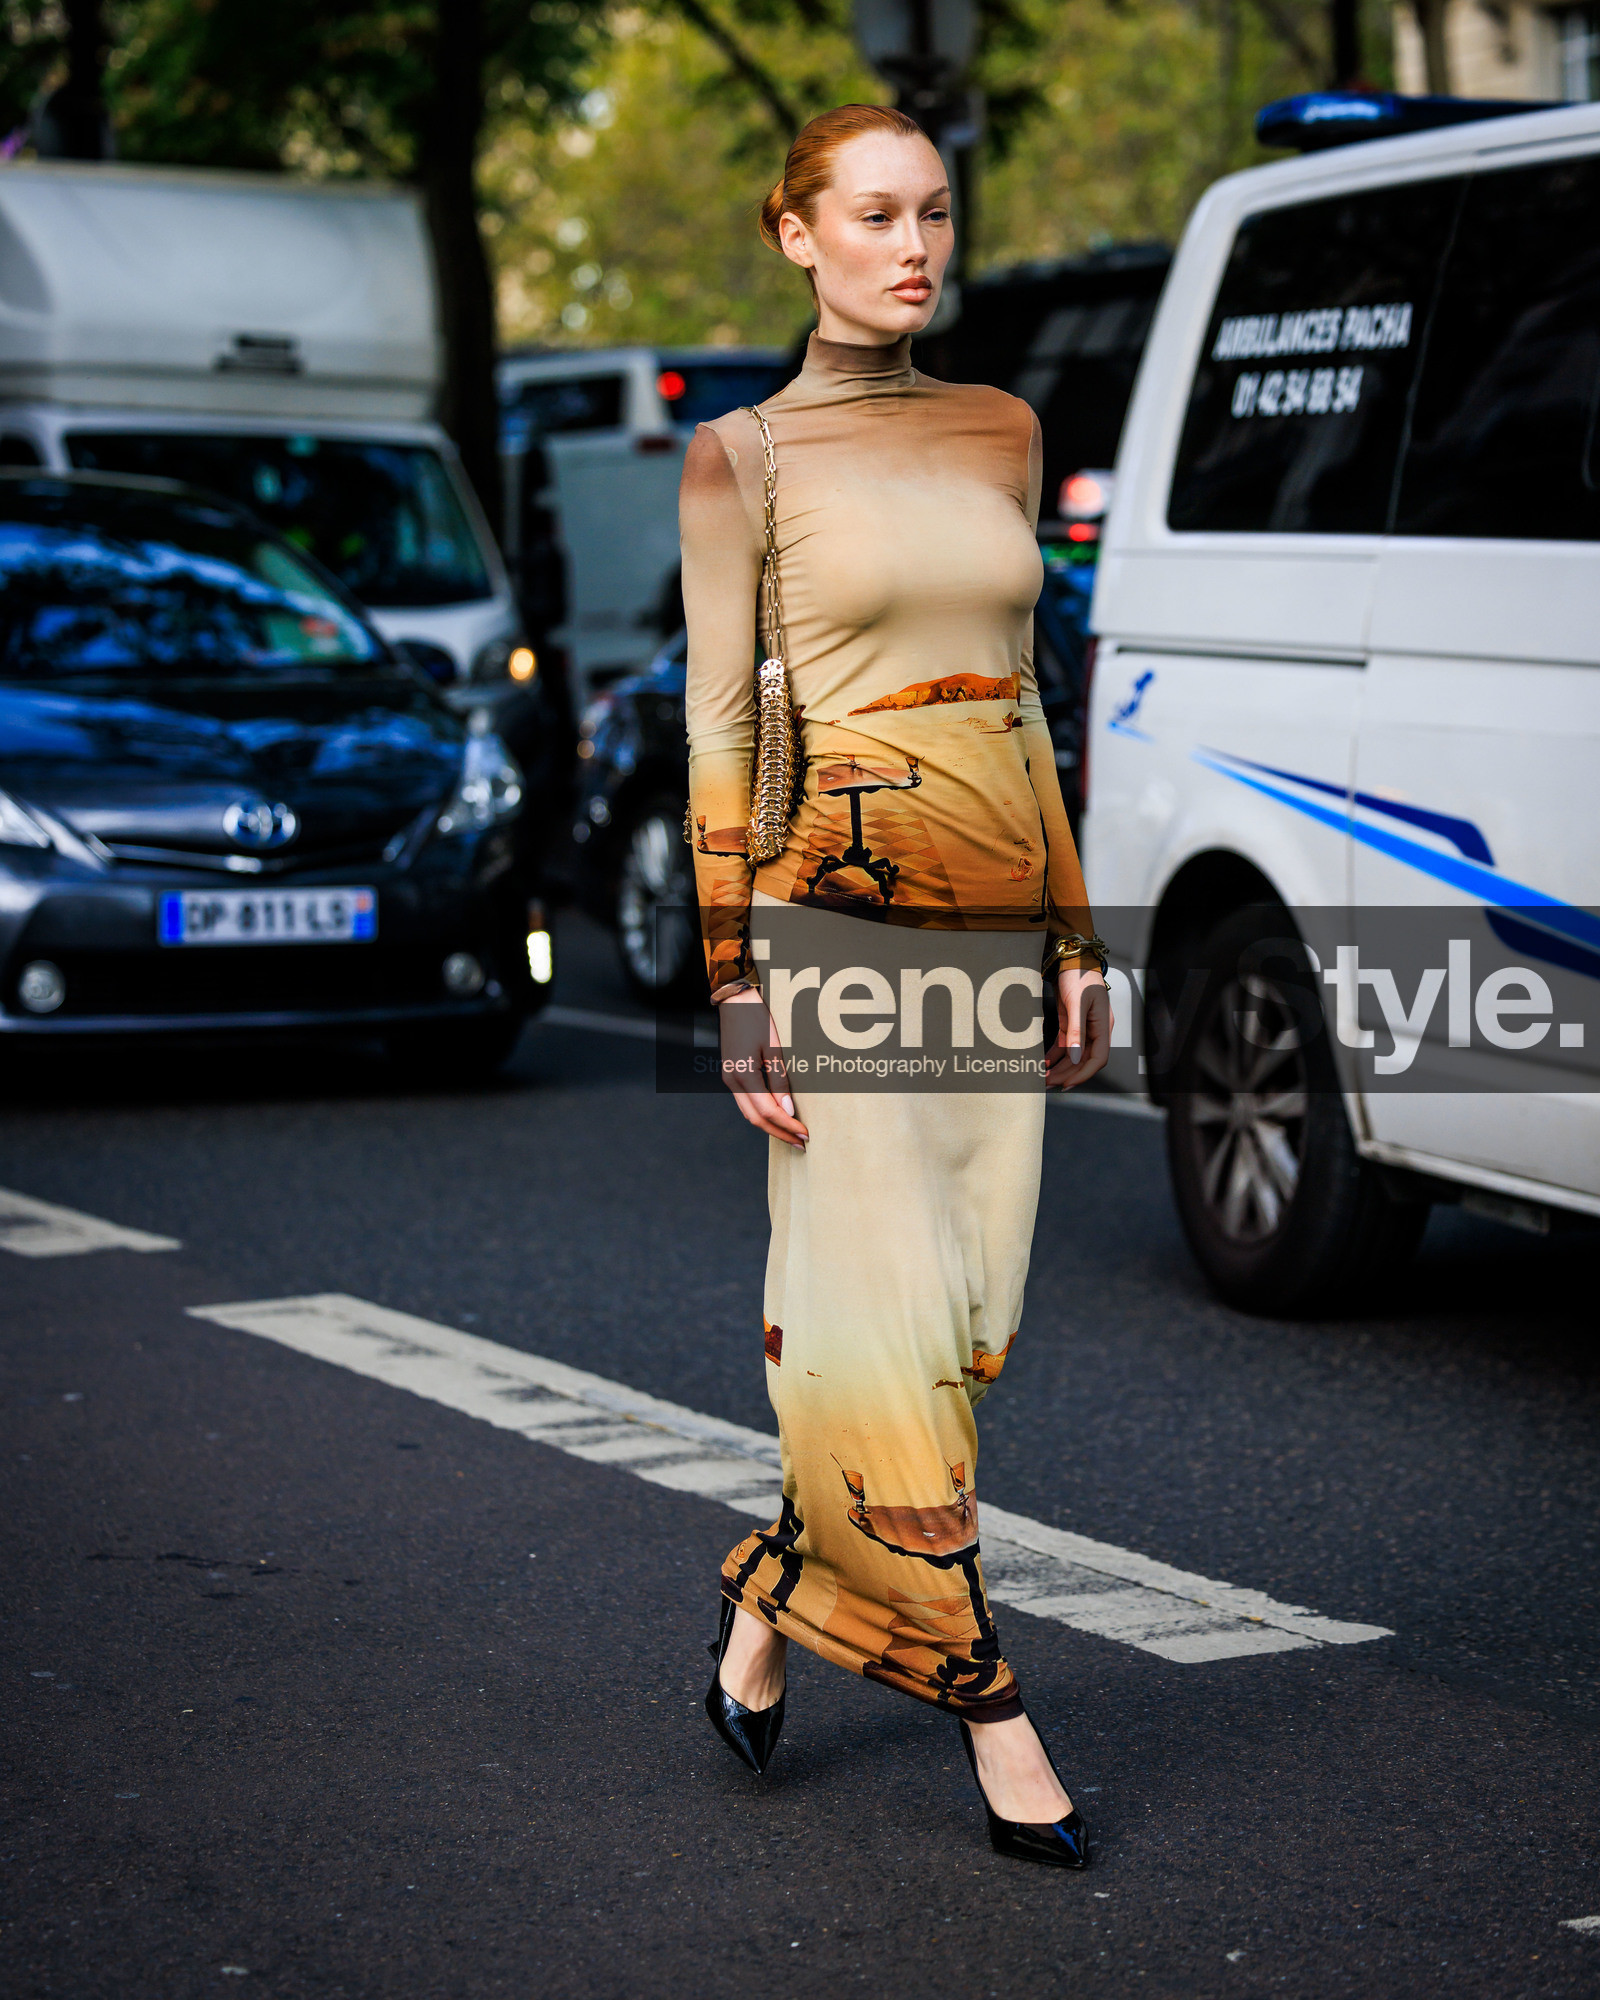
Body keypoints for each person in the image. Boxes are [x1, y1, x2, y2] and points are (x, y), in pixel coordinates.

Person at [680, 102, 1113, 1870]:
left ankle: (774, 1603)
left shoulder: (1004, 431)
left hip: (996, 940)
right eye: (874, 213)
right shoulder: (742, 459)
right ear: (798, 234)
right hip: (835, 937)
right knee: (895, 1342)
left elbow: (1022, 704)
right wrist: (731, 984)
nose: (914, 243)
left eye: (935, 212)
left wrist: (1080, 942)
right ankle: (995, 1715)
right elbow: (718, 725)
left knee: (952, 1328)